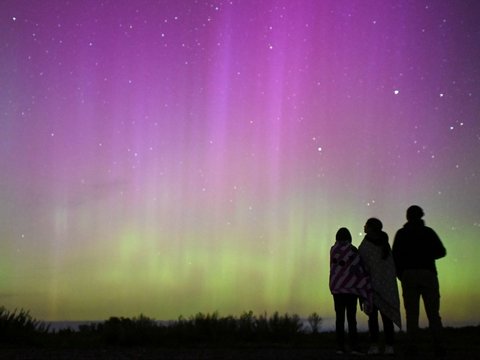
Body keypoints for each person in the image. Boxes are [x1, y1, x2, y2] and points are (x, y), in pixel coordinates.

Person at [392, 205, 446, 356]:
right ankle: (439, 347)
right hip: (427, 274)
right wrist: (426, 255)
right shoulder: (428, 232)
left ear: (407, 217)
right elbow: (441, 252)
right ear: (421, 216)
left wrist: (401, 275)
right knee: (433, 313)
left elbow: (394, 257)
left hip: (409, 276)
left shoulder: (401, 234)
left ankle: (412, 347)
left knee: (411, 314)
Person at [359, 218, 401, 356]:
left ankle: (377, 346)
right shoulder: (384, 244)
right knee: (383, 317)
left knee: (375, 318)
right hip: (384, 287)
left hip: (372, 287)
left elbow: (361, 266)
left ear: (371, 228)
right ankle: (387, 346)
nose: (364, 227)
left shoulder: (367, 245)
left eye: (366, 225)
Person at [329, 227, 372, 355]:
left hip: (337, 289)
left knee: (339, 319)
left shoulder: (333, 250)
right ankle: (354, 346)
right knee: (351, 319)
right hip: (351, 289)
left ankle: (340, 347)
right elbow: (359, 268)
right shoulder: (353, 250)